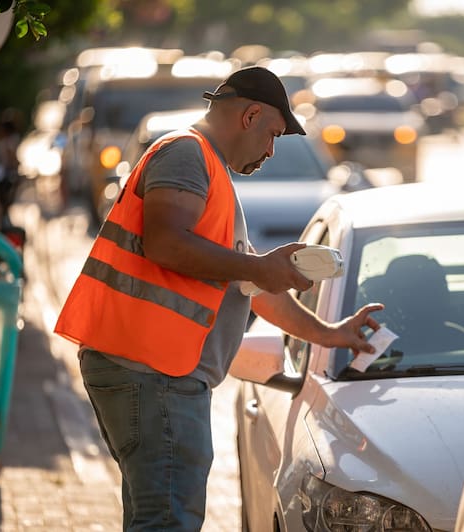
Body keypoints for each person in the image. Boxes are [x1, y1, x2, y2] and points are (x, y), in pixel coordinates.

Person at [54, 66, 383, 531]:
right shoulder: (186, 154)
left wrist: (329, 333)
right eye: (272, 134)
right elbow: (166, 242)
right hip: (155, 371)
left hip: (155, 372)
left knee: (159, 516)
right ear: (249, 115)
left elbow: (252, 289)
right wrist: (258, 266)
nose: (271, 151)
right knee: (168, 521)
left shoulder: (208, 170)